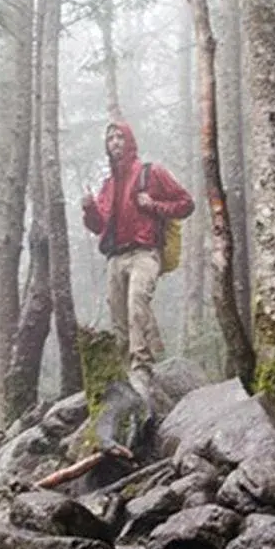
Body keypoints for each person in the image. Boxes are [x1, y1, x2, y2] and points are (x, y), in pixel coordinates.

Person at [81, 119, 194, 374]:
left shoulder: (151, 172)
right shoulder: (108, 186)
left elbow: (186, 203)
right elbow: (99, 226)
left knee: (137, 303)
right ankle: (133, 367)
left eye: (120, 137)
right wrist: (89, 208)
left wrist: (154, 205)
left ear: (130, 141)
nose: (115, 143)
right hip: (115, 257)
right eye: (110, 139)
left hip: (145, 252)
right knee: (118, 317)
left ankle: (141, 365)